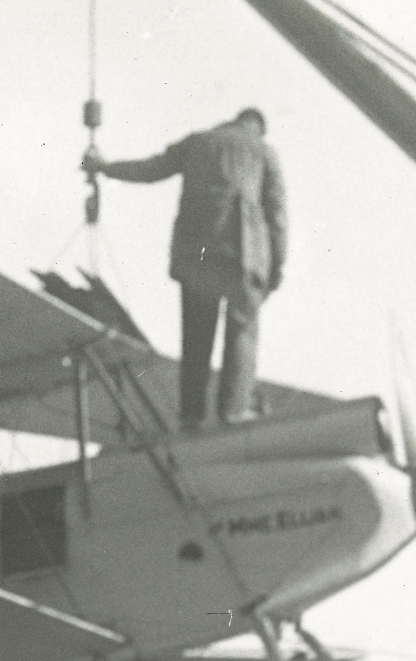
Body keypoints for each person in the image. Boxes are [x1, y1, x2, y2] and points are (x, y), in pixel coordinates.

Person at [82, 106, 288, 427]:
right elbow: (277, 219)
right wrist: (275, 271)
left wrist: (105, 168)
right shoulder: (264, 152)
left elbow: (150, 169)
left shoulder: (198, 142)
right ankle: (232, 412)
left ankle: (191, 416)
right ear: (258, 127)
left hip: (199, 255)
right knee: (242, 334)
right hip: (245, 257)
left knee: (196, 338)